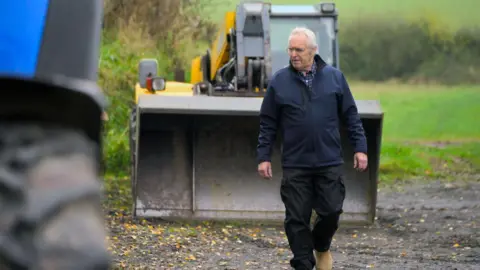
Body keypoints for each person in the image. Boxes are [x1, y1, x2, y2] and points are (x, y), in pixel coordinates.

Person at [256, 27, 368, 270]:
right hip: (296, 165)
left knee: (331, 212)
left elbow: (351, 115)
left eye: (299, 49)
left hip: (328, 162)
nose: (294, 54)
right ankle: (304, 264)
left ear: (314, 51)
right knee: (296, 219)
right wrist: (263, 156)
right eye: (290, 49)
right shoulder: (279, 82)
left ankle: (321, 246)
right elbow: (268, 122)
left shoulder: (335, 78)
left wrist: (360, 148)